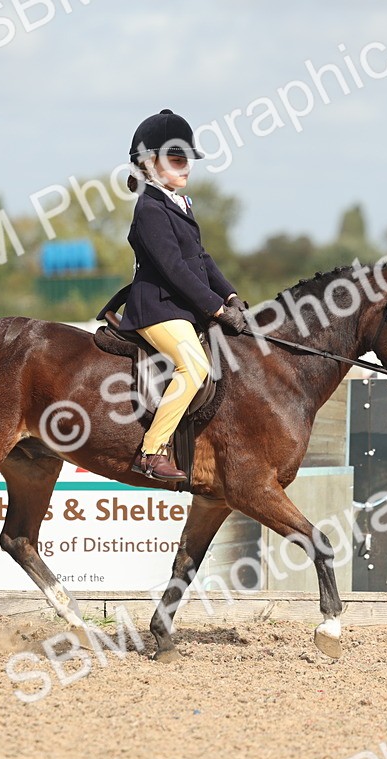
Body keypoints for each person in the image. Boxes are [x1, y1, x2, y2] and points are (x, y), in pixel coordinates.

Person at [117, 109, 249, 482]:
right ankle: (151, 451)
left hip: (180, 306)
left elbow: (201, 258)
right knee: (194, 366)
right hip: (156, 308)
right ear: (149, 163)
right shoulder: (150, 208)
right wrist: (216, 308)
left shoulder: (179, 203)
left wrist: (231, 295)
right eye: (176, 160)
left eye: (187, 160)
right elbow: (174, 269)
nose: (186, 167)